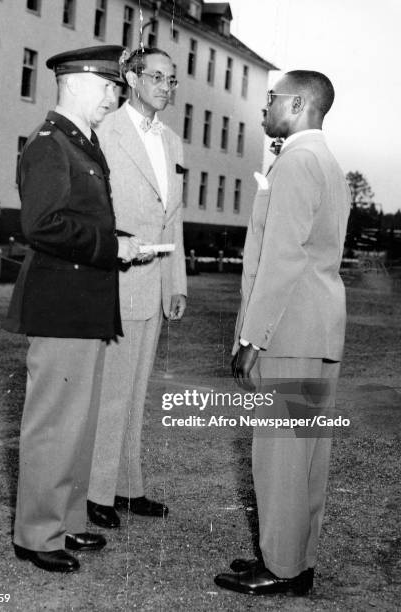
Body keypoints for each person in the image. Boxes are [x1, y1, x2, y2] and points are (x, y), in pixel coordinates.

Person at [4, 45, 141, 573]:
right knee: (54, 425)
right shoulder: (49, 145)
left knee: (78, 425)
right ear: (79, 82)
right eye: (110, 86)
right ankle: (36, 535)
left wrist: (120, 240)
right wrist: (113, 248)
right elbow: (42, 226)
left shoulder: (80, 143)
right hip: (61, 305)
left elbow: (79, 220)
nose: (115, 97)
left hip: (84, 305)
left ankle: (67, 521)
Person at [214, 71, 351, 596]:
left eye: (272, 98)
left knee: (280, 455)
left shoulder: (296, 161)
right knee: (306, 455)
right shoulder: (328, 162)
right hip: (317, 329)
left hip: (288, 331)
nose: (264, 107)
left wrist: (253, 338)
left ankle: (281, 567)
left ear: (296, 104)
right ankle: (297, 559)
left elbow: (281, 260)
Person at [87, 47, 187, 529]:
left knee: (137, 392)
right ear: (130, 77)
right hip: (118, 278)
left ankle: (128, 486)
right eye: (157, 77)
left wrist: (176, 283)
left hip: (154, 284)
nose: (166, 87)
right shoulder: (105, 131)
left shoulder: (172, 141)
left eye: (172, 80)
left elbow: (174, 219)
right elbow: (93, 208)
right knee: (111, 393)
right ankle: (96, 493)